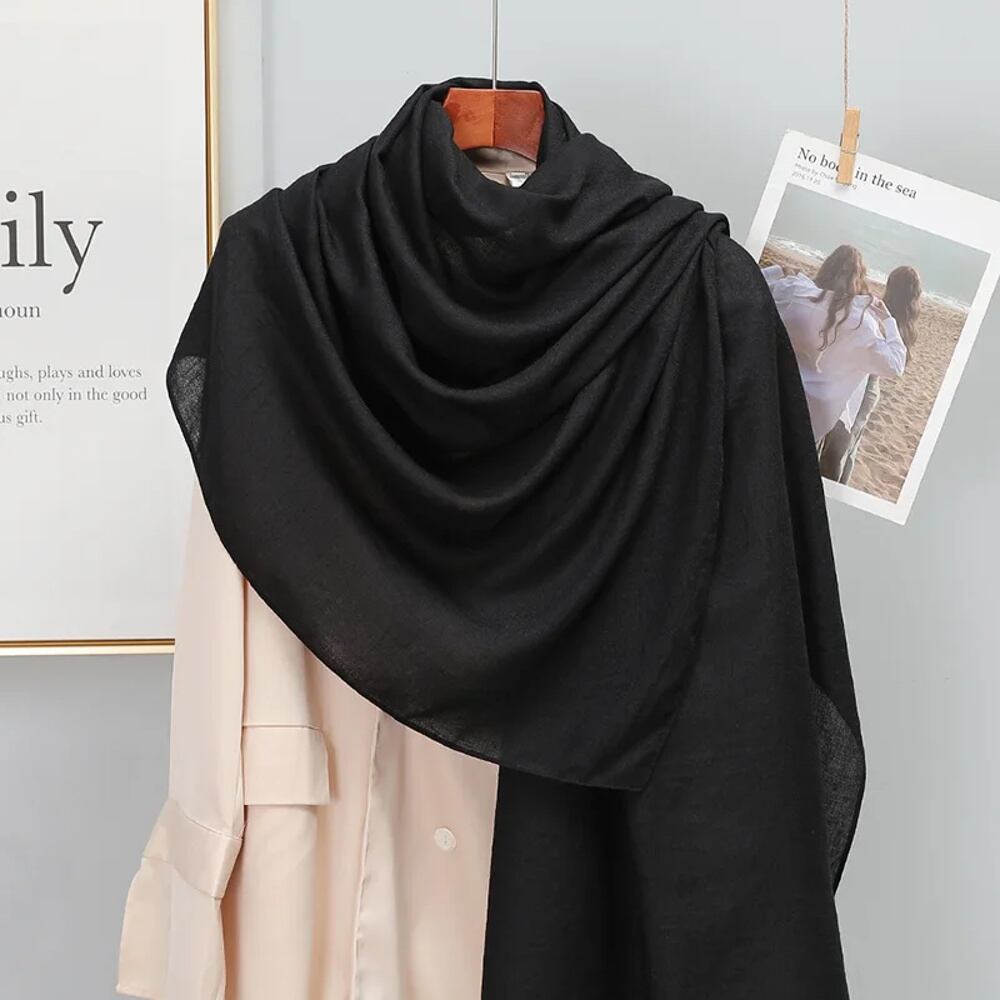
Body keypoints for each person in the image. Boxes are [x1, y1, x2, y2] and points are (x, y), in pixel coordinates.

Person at [762, 244, 908, 444]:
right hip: (809, 423)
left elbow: (746, 288)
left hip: (768, 399)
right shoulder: (861, 325)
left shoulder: (795, 292)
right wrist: (888, 320)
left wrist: (779, 270)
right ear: (859, 280)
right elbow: (895, 365)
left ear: (826, 267)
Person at [819, 264, 924, 483]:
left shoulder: (881, 313)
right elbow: (898, 362)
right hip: (870, 387)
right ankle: (838, 485)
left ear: (891, 285)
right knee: (847, 444)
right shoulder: (908, 324)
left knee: (837, 441)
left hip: (859, 381)